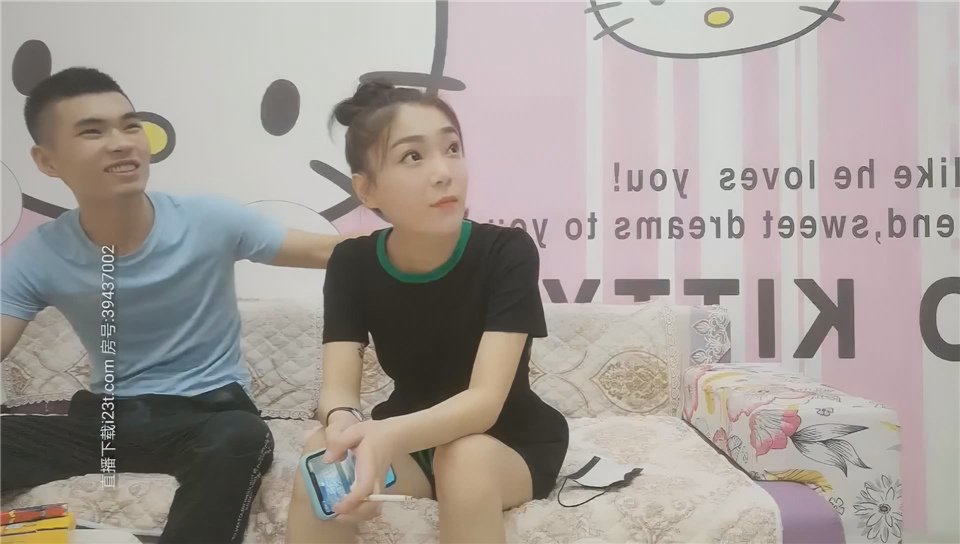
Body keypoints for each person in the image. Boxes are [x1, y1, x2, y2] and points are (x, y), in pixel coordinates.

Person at [0, 67, 351, 544]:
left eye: (130, 125)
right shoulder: (40, 254)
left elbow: (330, 251)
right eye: (92, 132)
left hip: (210, 417)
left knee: (242, 437)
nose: (122, 143)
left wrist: (431, 240)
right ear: (47, 161)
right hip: (107, 423)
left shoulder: (208, 220)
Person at [284, 80, 569, 544]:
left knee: (464, 458)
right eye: (413, 156)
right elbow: (338, 387)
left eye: (452, 149)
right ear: (366, 189)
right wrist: (342, 423)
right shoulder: (352, 263)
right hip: (412, 440)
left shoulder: (506, 252)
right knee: (322, 455)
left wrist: (387, 436)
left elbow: (484, 403)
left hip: (508, 443)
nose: (443, 172)